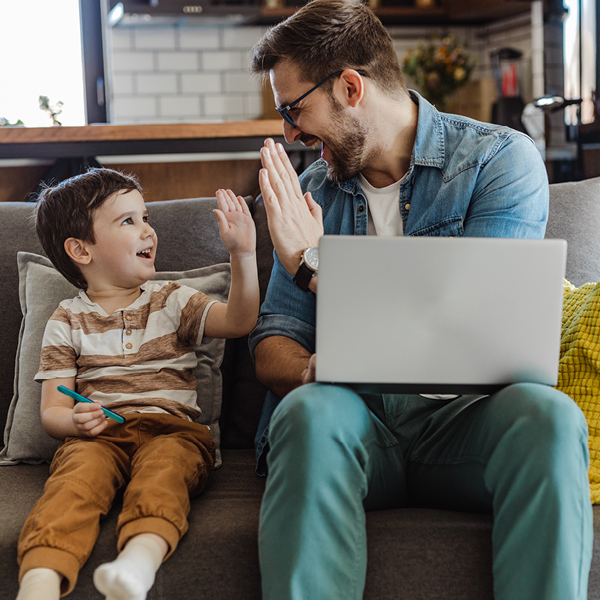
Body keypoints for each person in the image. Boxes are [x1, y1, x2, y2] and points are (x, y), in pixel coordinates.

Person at [247, 1, 593, 599]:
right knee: (304, 411)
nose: (289, 134)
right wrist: (309, 369)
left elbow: (475, 328)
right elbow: (272, 341)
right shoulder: (311, 193)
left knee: (552, 417)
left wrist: (313, 265)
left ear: (350, 86)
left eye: (293, 109)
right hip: (356, 427)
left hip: (464, 424)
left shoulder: (496, 161)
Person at [16, 168, 259, 600]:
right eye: (128, 221)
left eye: (146, 217)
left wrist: (243, 255)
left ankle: (138, 563)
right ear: (80, 250)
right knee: (72, 486)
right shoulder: (66, 319)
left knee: (165, 474)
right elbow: (52, 412)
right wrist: (75, 421)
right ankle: (39, 582)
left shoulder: (174, 297)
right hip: (99, 438)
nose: (148, 230)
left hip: (174, 432)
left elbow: (239, 322)